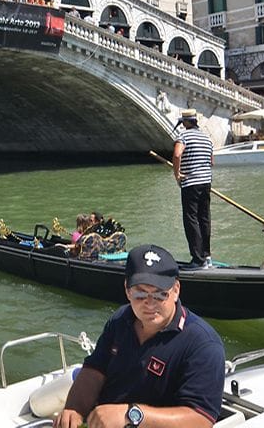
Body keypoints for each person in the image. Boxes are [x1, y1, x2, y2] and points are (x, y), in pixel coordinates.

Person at [55, 244, 224, 428]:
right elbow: (95, 369)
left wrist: (131, 415)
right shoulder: (121, 319)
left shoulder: (203, 344)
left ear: (176, 290)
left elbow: (201, 419)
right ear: (127, 290)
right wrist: (74, 410)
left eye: (160, 294)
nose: (149, 303)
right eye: (140, 293)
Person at [172, 109, 214, 268]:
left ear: (185, 122)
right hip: (206, 183)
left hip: (191, 183)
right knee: (204, 218)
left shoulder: (183, 136)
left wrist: (177, 174)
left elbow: (177, 155)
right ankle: (207, 256)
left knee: (191, 219)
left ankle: (198, 259)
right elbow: (212, 162)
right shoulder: (206, 138)